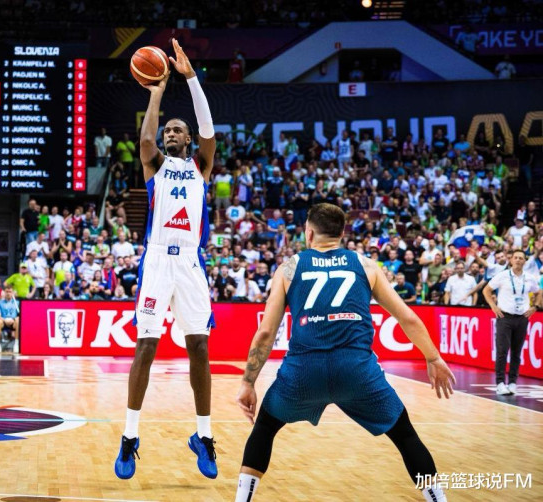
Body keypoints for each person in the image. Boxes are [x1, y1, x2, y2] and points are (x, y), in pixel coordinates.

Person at [234, 203, 456, 502]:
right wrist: (433, 357)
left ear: (308, 233)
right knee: (405, 435)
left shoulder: (289, 268)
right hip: (357, 372)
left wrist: (248, 382)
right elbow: (408, 318)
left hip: (303, 373)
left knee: (264, 428)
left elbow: (265, 333)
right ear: (341, 234)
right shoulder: (366, 266)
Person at [115, 39, 217, 480]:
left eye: (178, 130)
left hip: (190, 263)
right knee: (146, 346)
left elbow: (209, 129)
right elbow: (145, 138)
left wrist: (190, 79)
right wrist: (157, 91)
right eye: (168, 130)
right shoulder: (154, 164)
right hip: (157, 261)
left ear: (188, 139)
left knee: (200, 347)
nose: (171, 134)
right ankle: (129, 437)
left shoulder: (201, 166)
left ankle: (204, 436)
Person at [483, 250, 541, 395]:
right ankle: (500, 383)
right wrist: (493, 306)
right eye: (516, 258)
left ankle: (513, 382)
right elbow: (486, 290)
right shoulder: (503, 276)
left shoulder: (530, 278)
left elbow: (539, 291)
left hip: (522, 318)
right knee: (502, 351)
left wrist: (535, 307)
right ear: (511, 260)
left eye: (521, 258)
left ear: (525, 261)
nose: (518, 260)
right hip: (505, 317)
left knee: (517, 351)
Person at [0, 285, 20, 353]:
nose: (8, 293)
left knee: (18, 321)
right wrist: (5, 320)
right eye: (7, 292)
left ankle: (16, 344)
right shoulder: (0, 302)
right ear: (4, 292)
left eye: (10, 292)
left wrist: (13, 319)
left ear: (12, 293)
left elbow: (20, 315)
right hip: (3, 321)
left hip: (13, 321)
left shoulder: (17, 303)